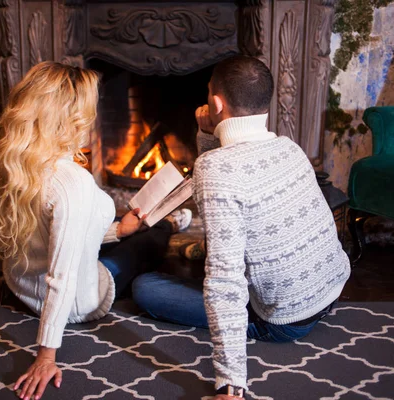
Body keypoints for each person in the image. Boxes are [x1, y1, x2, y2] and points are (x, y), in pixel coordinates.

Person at [132, 56, 351, 399]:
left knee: (146, 288)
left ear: (216, 103)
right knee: (226, 239)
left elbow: (225, 281)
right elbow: (218, 181)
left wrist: (230, 381)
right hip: (332, 288)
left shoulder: (215, 170)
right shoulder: (288, 147)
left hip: (284, 321)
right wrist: (207, 134)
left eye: (207, 94)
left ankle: (249, 337)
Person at [0, 61, 192, 400]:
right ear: (70, 118)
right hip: (78, 301)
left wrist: (117, 231)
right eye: (87, 109)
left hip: (23, 285)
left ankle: (142, 229)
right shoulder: (72, 184)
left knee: (130, 235)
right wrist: (46, 356)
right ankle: (170, 223)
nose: (93, 117)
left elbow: (57, 236)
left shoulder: (20, 160)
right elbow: (62, 275)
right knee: (147, 244)